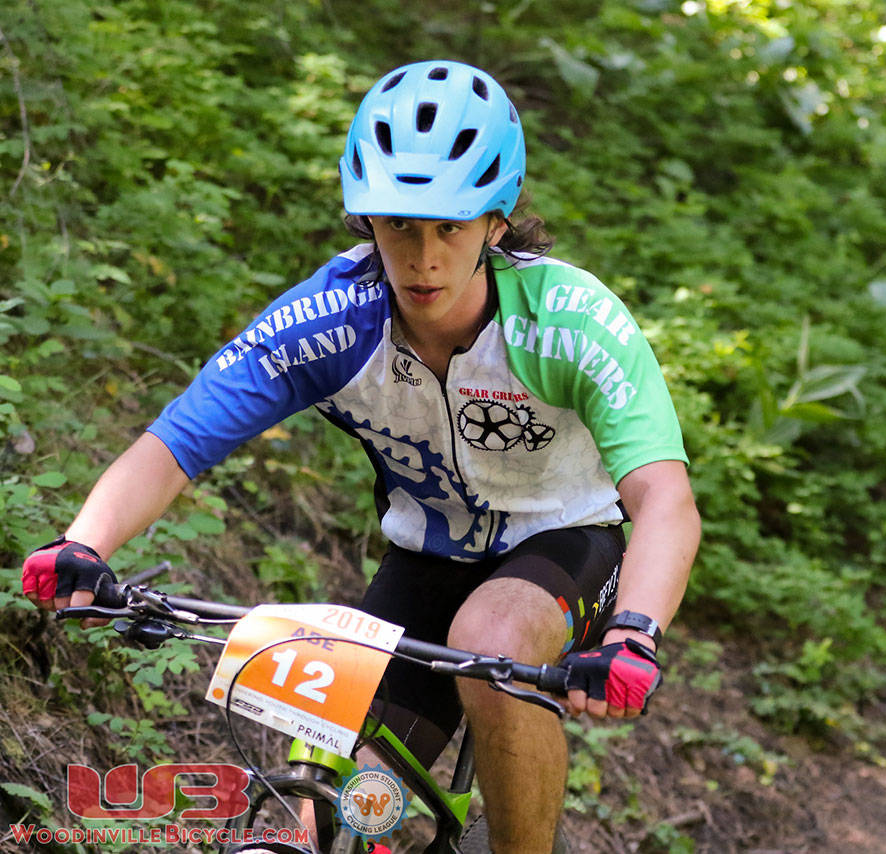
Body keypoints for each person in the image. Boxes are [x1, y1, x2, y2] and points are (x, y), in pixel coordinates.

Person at [21, 60, 700, 854]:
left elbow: (664, 499)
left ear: (496, 223)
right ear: (363, 219)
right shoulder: (331, 323)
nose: (423, 259)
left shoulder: (568, 322)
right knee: (324, 820)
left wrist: (636, 632)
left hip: (567, 545)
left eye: (449, 227)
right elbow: (175, 445)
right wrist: (85, 543)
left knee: (493, 635)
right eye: (398, 226)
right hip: (426, 559)